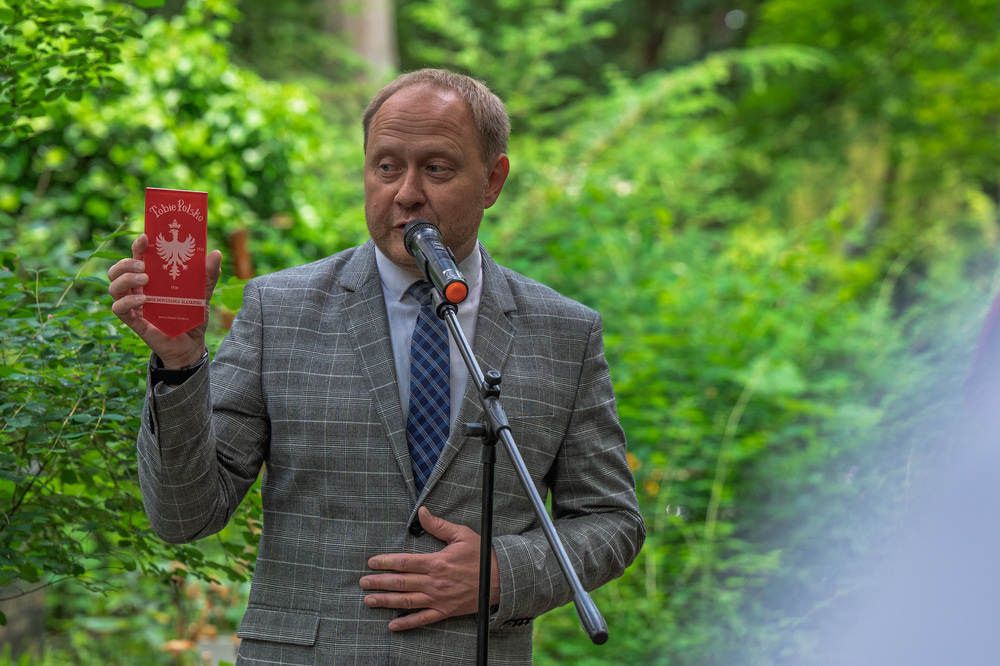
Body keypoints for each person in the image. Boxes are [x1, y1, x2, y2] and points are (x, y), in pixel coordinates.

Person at [108, 68, 644, 665]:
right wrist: (179, 365)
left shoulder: (564, 332)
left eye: (436, 169)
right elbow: (185, 515)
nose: (406, 192)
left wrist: (500, 570)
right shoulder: (276, 310)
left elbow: (610, 520)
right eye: (386, 167)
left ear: (493, 181)